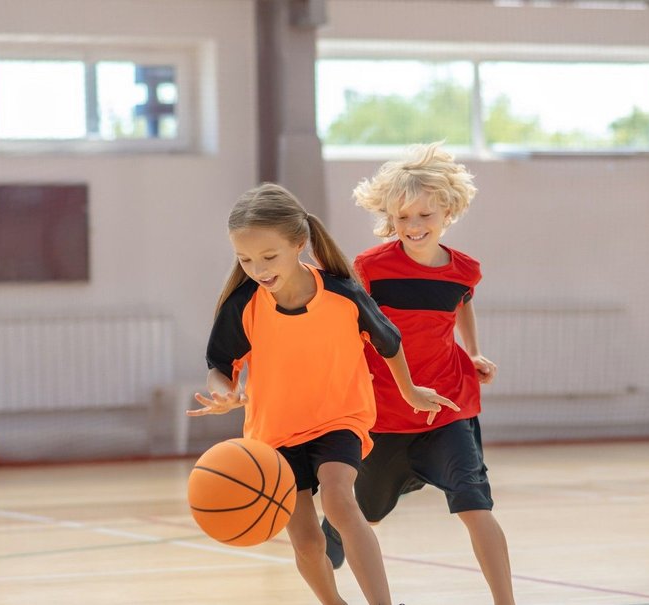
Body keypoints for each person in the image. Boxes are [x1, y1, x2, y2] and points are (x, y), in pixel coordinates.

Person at [188, 183, 458, 605]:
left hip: (338, 419)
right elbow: (218, 366)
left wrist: (411, 392)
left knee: (339, 501)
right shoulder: (244, 305)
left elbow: (389, 342)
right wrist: (224, 393)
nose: (258, 268)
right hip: (274, 435)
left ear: (299, 243)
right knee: (307, 541)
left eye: (268, 256)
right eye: (245, 259)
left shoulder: (341, 294)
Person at [322, 143, 516, 604]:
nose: (413, 226)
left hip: (449, 410)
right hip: (384, 417)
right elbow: (350, 330)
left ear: (447, 211)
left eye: (424, 216)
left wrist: (473, 352)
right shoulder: (369, 268)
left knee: (476, 506)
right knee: (351, 522)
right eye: (403, 217)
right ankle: (323, 580)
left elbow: (462, 307)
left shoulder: (465, 270)